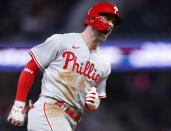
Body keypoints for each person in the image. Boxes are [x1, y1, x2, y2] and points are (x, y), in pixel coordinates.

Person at [7, 2, 123, 131]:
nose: (111, 25)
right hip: (48, 111)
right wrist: (18, 105)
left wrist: (94, 103)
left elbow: (92, 101)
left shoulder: (103, 63)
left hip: (71, 120)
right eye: (108, 19)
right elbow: (31, 68)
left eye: (113, 22)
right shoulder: (62, 41)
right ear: (92, 18)